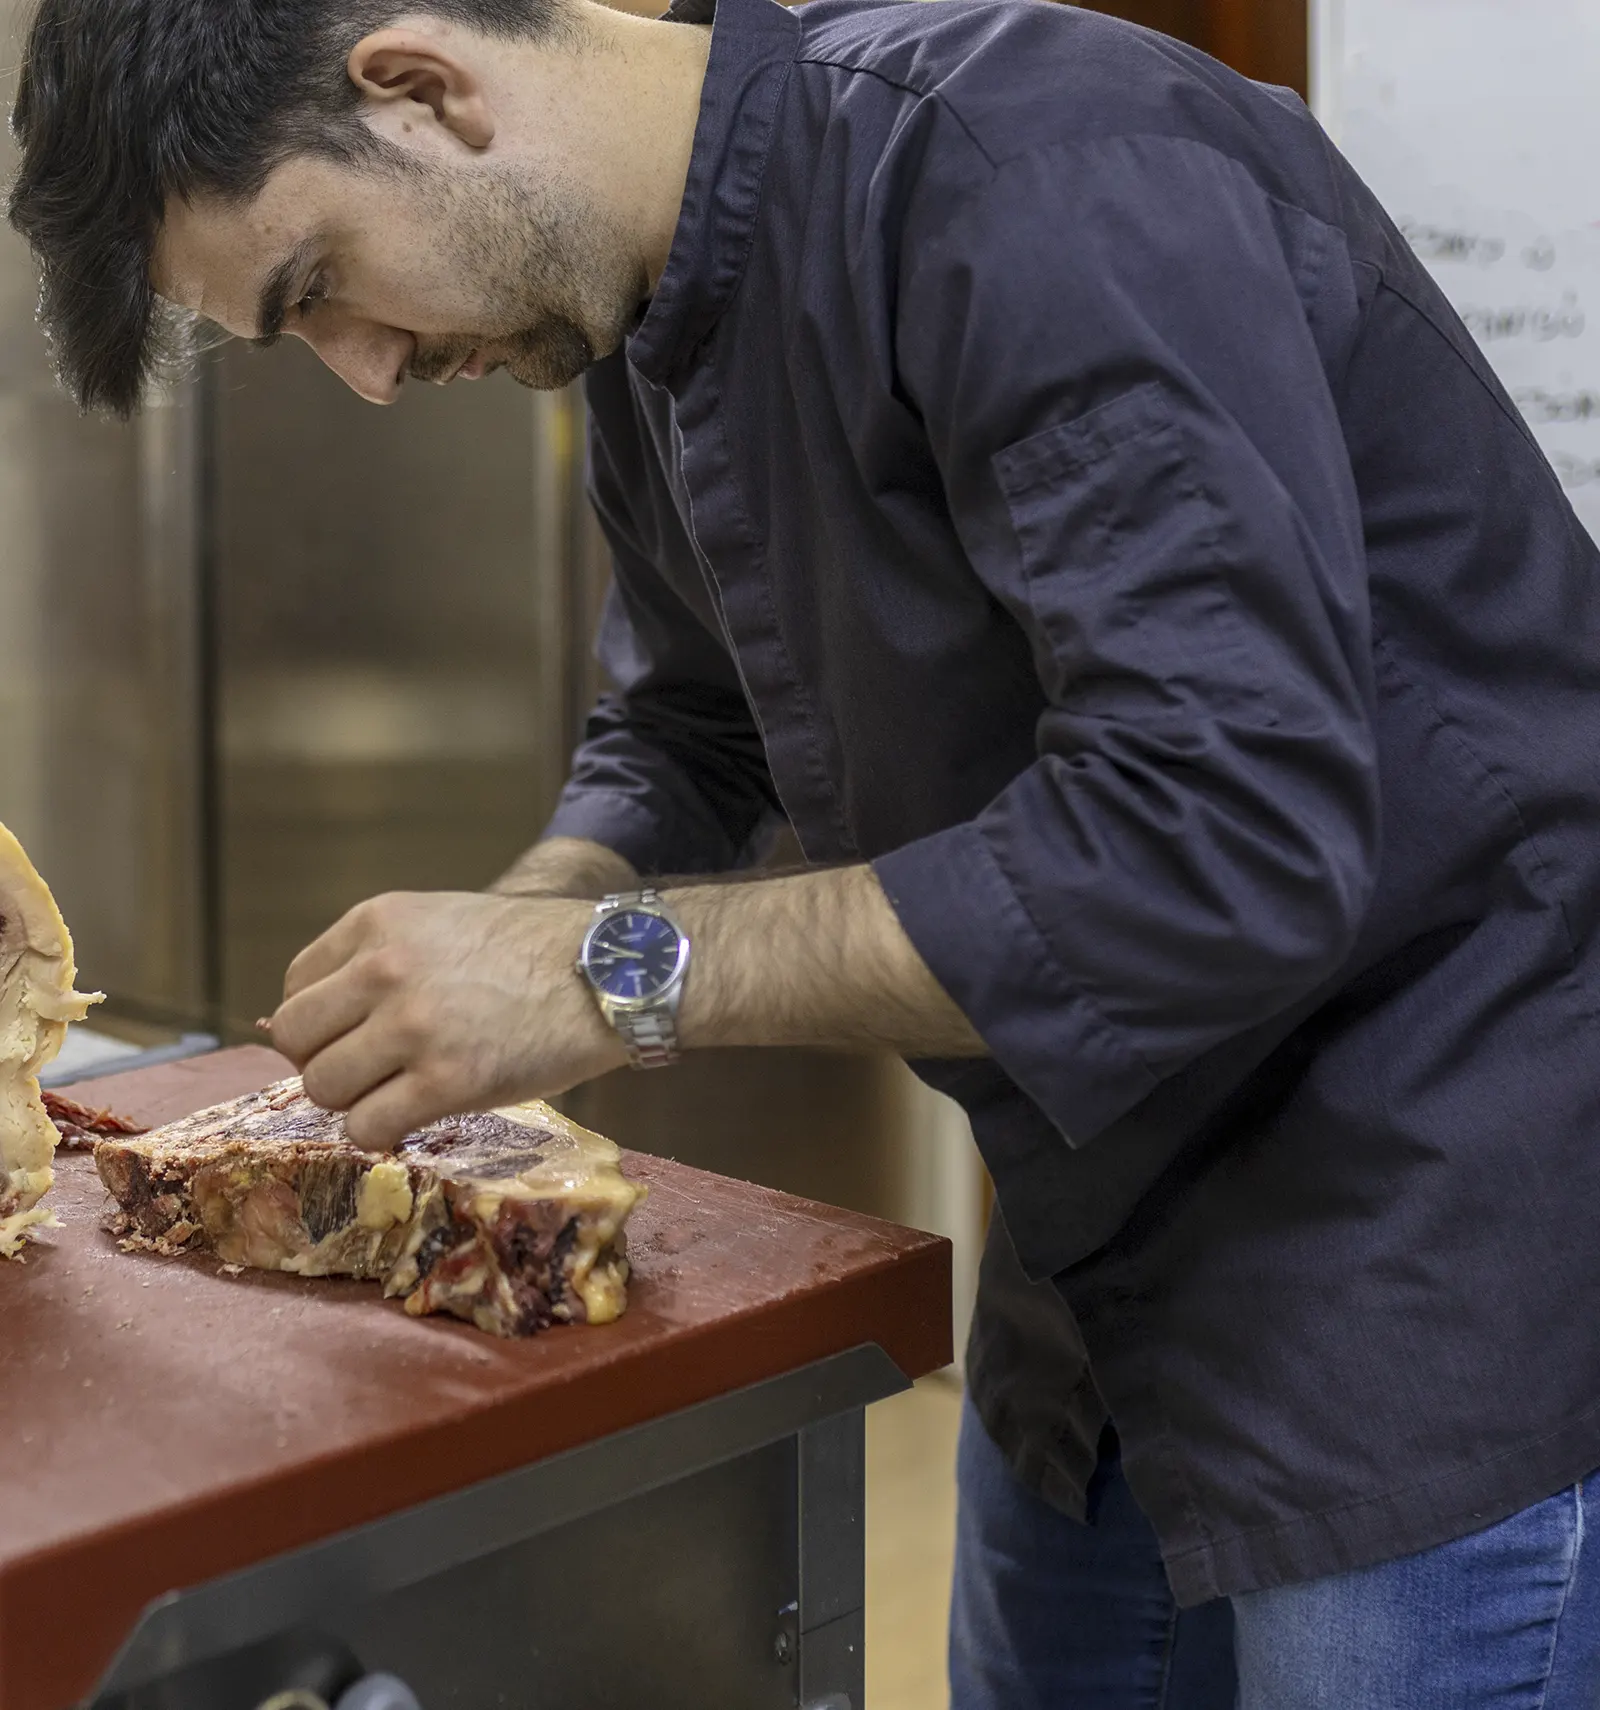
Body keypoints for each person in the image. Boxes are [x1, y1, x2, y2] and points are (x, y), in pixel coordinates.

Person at [12, 0, 1600, 1701]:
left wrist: (606, 978)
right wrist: (545, 907)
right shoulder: (638, 311)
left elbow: (1221, 840)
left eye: (320, 284)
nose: (373, 371)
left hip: (1421, 1241)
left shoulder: (1036, 174)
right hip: (1100, 1270)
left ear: (426, 91)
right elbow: (689, 726)